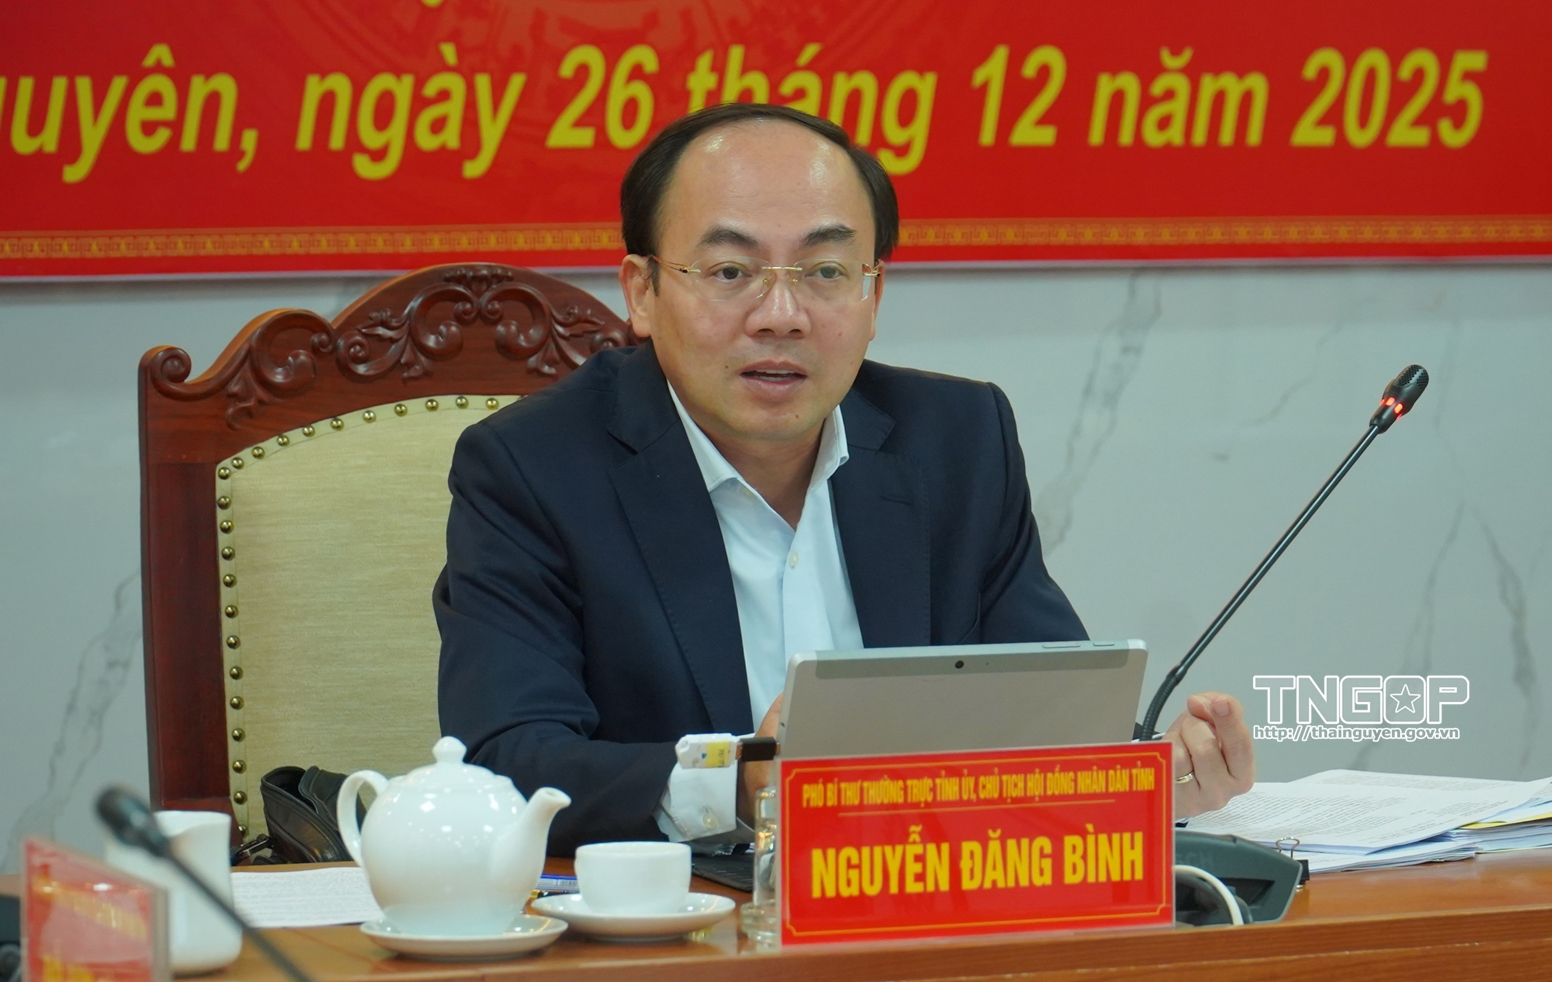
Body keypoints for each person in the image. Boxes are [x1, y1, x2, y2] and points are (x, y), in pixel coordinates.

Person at [435, 103, 1253, 855]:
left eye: (825, 271)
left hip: (927, 903)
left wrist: (1150, 775)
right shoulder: (534, 468)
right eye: (730, 272)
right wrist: (738, 780)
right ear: (642, 292)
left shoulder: (957, 441)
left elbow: (1041, 706)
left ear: (873, 293)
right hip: (684, 926)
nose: (781, 315)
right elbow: (507, 761)